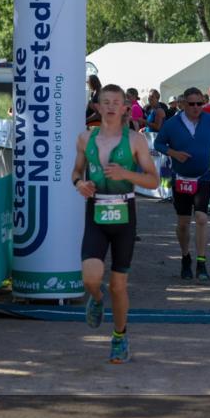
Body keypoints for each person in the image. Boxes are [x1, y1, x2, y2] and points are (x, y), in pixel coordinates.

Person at [71, 84, 160, 364]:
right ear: (97, 106)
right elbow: (76, 170)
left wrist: (125, 173)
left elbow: (154, 180)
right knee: (90, 277)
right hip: (96, 212)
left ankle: (120, 337)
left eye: (116, 102)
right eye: (105, 101)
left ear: (125, 107)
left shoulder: (135, 141)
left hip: (124, 213)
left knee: (118, 286)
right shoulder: (86, 138)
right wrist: (79, 183)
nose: (110, 106)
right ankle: (95, 299)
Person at [154, 87, 210, 282]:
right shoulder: (172, 124)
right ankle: (186, 257)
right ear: (183, 104)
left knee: (202, 218)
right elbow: (159, 143)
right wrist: (174, 154)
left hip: (203, 177)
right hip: (181, 178)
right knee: (183, 223)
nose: (195, 108)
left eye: (199, 104)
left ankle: (201, 263)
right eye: (191, 104)